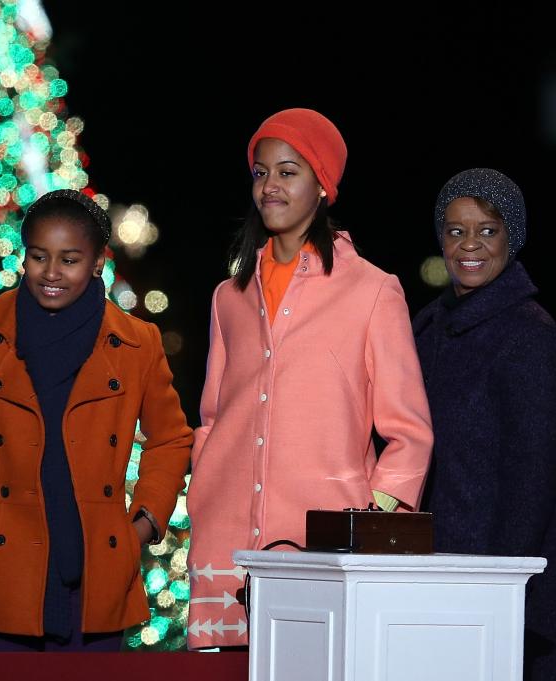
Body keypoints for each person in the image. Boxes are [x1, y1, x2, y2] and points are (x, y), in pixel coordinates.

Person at [186, 108, 433, 649]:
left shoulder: (372, 291)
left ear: (323, 185)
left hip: (322, 550)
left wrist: (369, 518)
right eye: (260, 172)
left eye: (288, 171)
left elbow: (410, 435)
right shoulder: (230, 296)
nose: (270, 185)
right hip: (222, 546)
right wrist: (201, 491)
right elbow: (212, 416)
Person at [0, 189, 192, 651]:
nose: (51, 273)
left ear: (96, 263)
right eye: (38, 257)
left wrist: (143, 524)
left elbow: (170, 439)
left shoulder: (137, 344)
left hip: (97, 578)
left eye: (69, 259)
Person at [413, 168, 556, 680]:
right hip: (441, 560)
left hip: (512, 570)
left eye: (487, 230)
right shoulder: (428, 326)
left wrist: (496, 583)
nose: (470, 245)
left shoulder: (529, 335)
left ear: (512, 238)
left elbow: (531, 479)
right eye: (455, 230)